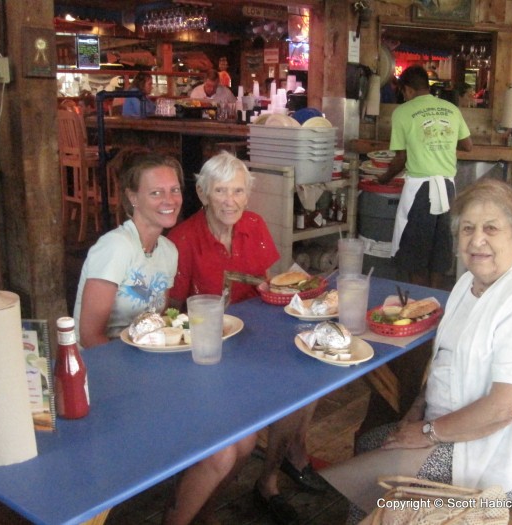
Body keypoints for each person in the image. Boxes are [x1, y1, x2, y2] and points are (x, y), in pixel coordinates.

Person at [321, 177, 512, 523]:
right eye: (467, 229)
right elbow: (446, 359)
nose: (477, 240)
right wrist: (416, 410)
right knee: (375, 443)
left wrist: (429, 432)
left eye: (491, 228)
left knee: (376, 476)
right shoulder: (469, 283)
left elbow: (507, 407)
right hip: (461, 430)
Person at [167, 151, 328, 524]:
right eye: (220, 191)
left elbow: (270, 287)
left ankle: (269, 477)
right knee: (244, 431)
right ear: (204, 194)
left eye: (238, 191)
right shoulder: (183, 238)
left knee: (306, 384)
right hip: (209, 351)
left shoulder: (254, 224)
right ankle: (203, 499)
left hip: (257, 338)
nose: (230, 200)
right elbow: (172, 311)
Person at [376, 65, 473, 289]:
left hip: (420, 192)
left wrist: (385, 178)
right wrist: (442, 140)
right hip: (448, 189)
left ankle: (419, 299)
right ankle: (435, 301)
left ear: (407, 90)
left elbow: (401, 158)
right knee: (440, 249)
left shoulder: (402, 112)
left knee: (416, 252)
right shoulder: (451, 109)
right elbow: (468, 145)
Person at [73, 151, 183, 348]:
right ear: (133, 197)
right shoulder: (115, 247)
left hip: (144, 354)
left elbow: (158, 320)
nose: (170, 200)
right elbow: (89, 337)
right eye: (156, 193)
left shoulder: (168, 251)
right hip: (101, 362)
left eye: (174, 190)